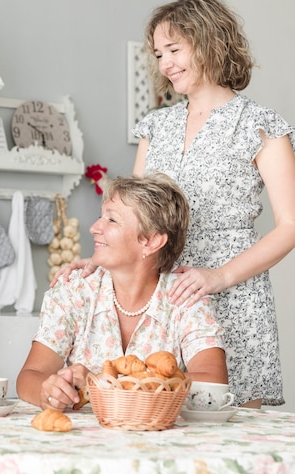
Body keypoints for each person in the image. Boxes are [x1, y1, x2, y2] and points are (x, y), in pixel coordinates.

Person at [53, 0, 295, 409]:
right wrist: (99, 262)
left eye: (174, 49)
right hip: (163, 293)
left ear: (209, 42)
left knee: (232, 430)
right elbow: (133, 217)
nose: (165, 63)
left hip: (234, 294)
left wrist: (219, 277)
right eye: (159, 53)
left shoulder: (261, 126)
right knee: (159, 412)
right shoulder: (156, 126)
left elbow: (289, 225)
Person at [18, 173, 228, 409]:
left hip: (159, 440)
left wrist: (107, 384)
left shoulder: (186, 297)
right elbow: (29, 377)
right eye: (100, 217)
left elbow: (214, 381)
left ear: (150, 240)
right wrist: (47, 392)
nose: (94, 227)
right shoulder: (73, 291)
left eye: (112, 220)